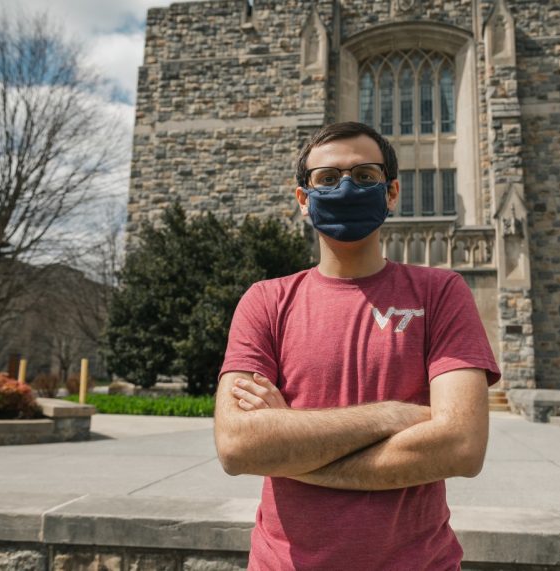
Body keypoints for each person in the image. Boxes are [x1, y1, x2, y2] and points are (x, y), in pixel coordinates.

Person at [214, 122, 501, 570]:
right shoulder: (266, 301)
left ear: (391, 193)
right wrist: (393, 415)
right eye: (327, 179)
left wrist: (291, 444)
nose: (347, 187)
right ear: (304, 200)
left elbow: (461, 446)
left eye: (365, 176)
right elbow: (237, 446)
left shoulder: (441, 291)